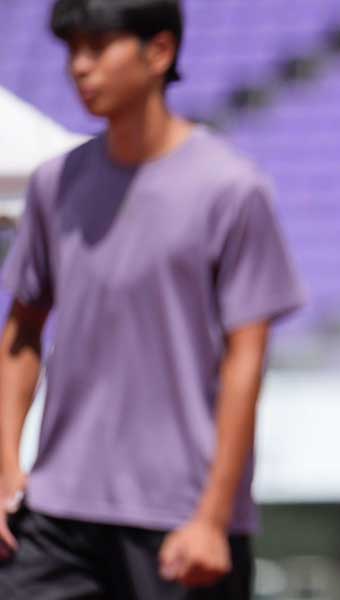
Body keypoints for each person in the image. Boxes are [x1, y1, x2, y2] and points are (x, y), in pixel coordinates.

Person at [0, 1, 303, 598]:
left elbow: (246, 361)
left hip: (180, 520)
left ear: (159, 52)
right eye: (72, 51)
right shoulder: (54, 185)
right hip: (58, 514)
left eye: (97, 47)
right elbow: (23, 330)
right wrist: (5, 469)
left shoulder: (230, 190)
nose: (79, 67)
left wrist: (214, 517)